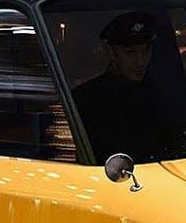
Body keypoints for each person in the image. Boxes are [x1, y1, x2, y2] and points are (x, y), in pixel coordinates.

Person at [72, 11, 167, 163]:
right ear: (110, 52)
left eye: (146, 51)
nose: (141, 61)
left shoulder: (162, 93)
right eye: (130, 53)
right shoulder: (87, 100)